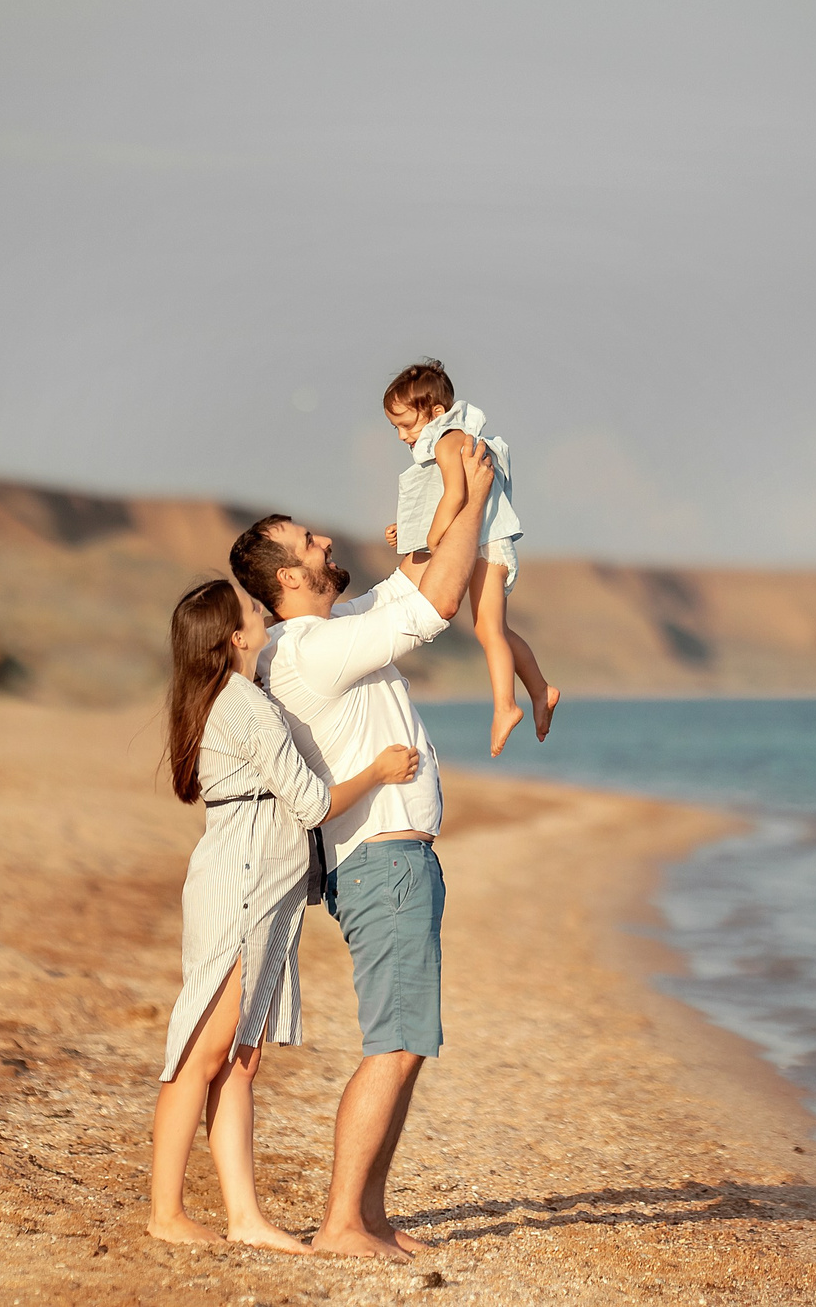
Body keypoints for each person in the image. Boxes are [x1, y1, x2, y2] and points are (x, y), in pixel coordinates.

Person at [226, 438, 494, 1261]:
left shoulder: (331, 627)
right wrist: (479, 499)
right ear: (286, 579)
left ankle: (369, 1216)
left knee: (407, 1041)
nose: (326, 543)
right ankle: (344, 1220)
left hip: (390, 858)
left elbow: (414, 579)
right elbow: (436, 603)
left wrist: (448, 494)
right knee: (397, 1039)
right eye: (309, 543)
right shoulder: (307, 650)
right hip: (382, 858)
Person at [145, 577, 421, 1251]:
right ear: (234, 637)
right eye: (249, 609)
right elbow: (311, 802)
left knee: (240, 1059)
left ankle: (244, 1216)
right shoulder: (241, 703)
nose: (259, 609)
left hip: (260, 889)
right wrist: (380, 771)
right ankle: (166, 1212)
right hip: (240, 886)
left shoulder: (244, 697)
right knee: (201, 1052)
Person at [379, 360, 557, 755]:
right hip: (485, 542)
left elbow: (456, 495)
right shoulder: (450, 437)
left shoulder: (446, 439)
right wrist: (406, 531)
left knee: (487, 630)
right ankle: (541, 690)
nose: (401, 435)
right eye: (395, 427)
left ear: (436, 413)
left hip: (489, 544)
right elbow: (437, 501)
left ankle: (506, 707)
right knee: (499, 630)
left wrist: (432, 536)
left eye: (407, 424)